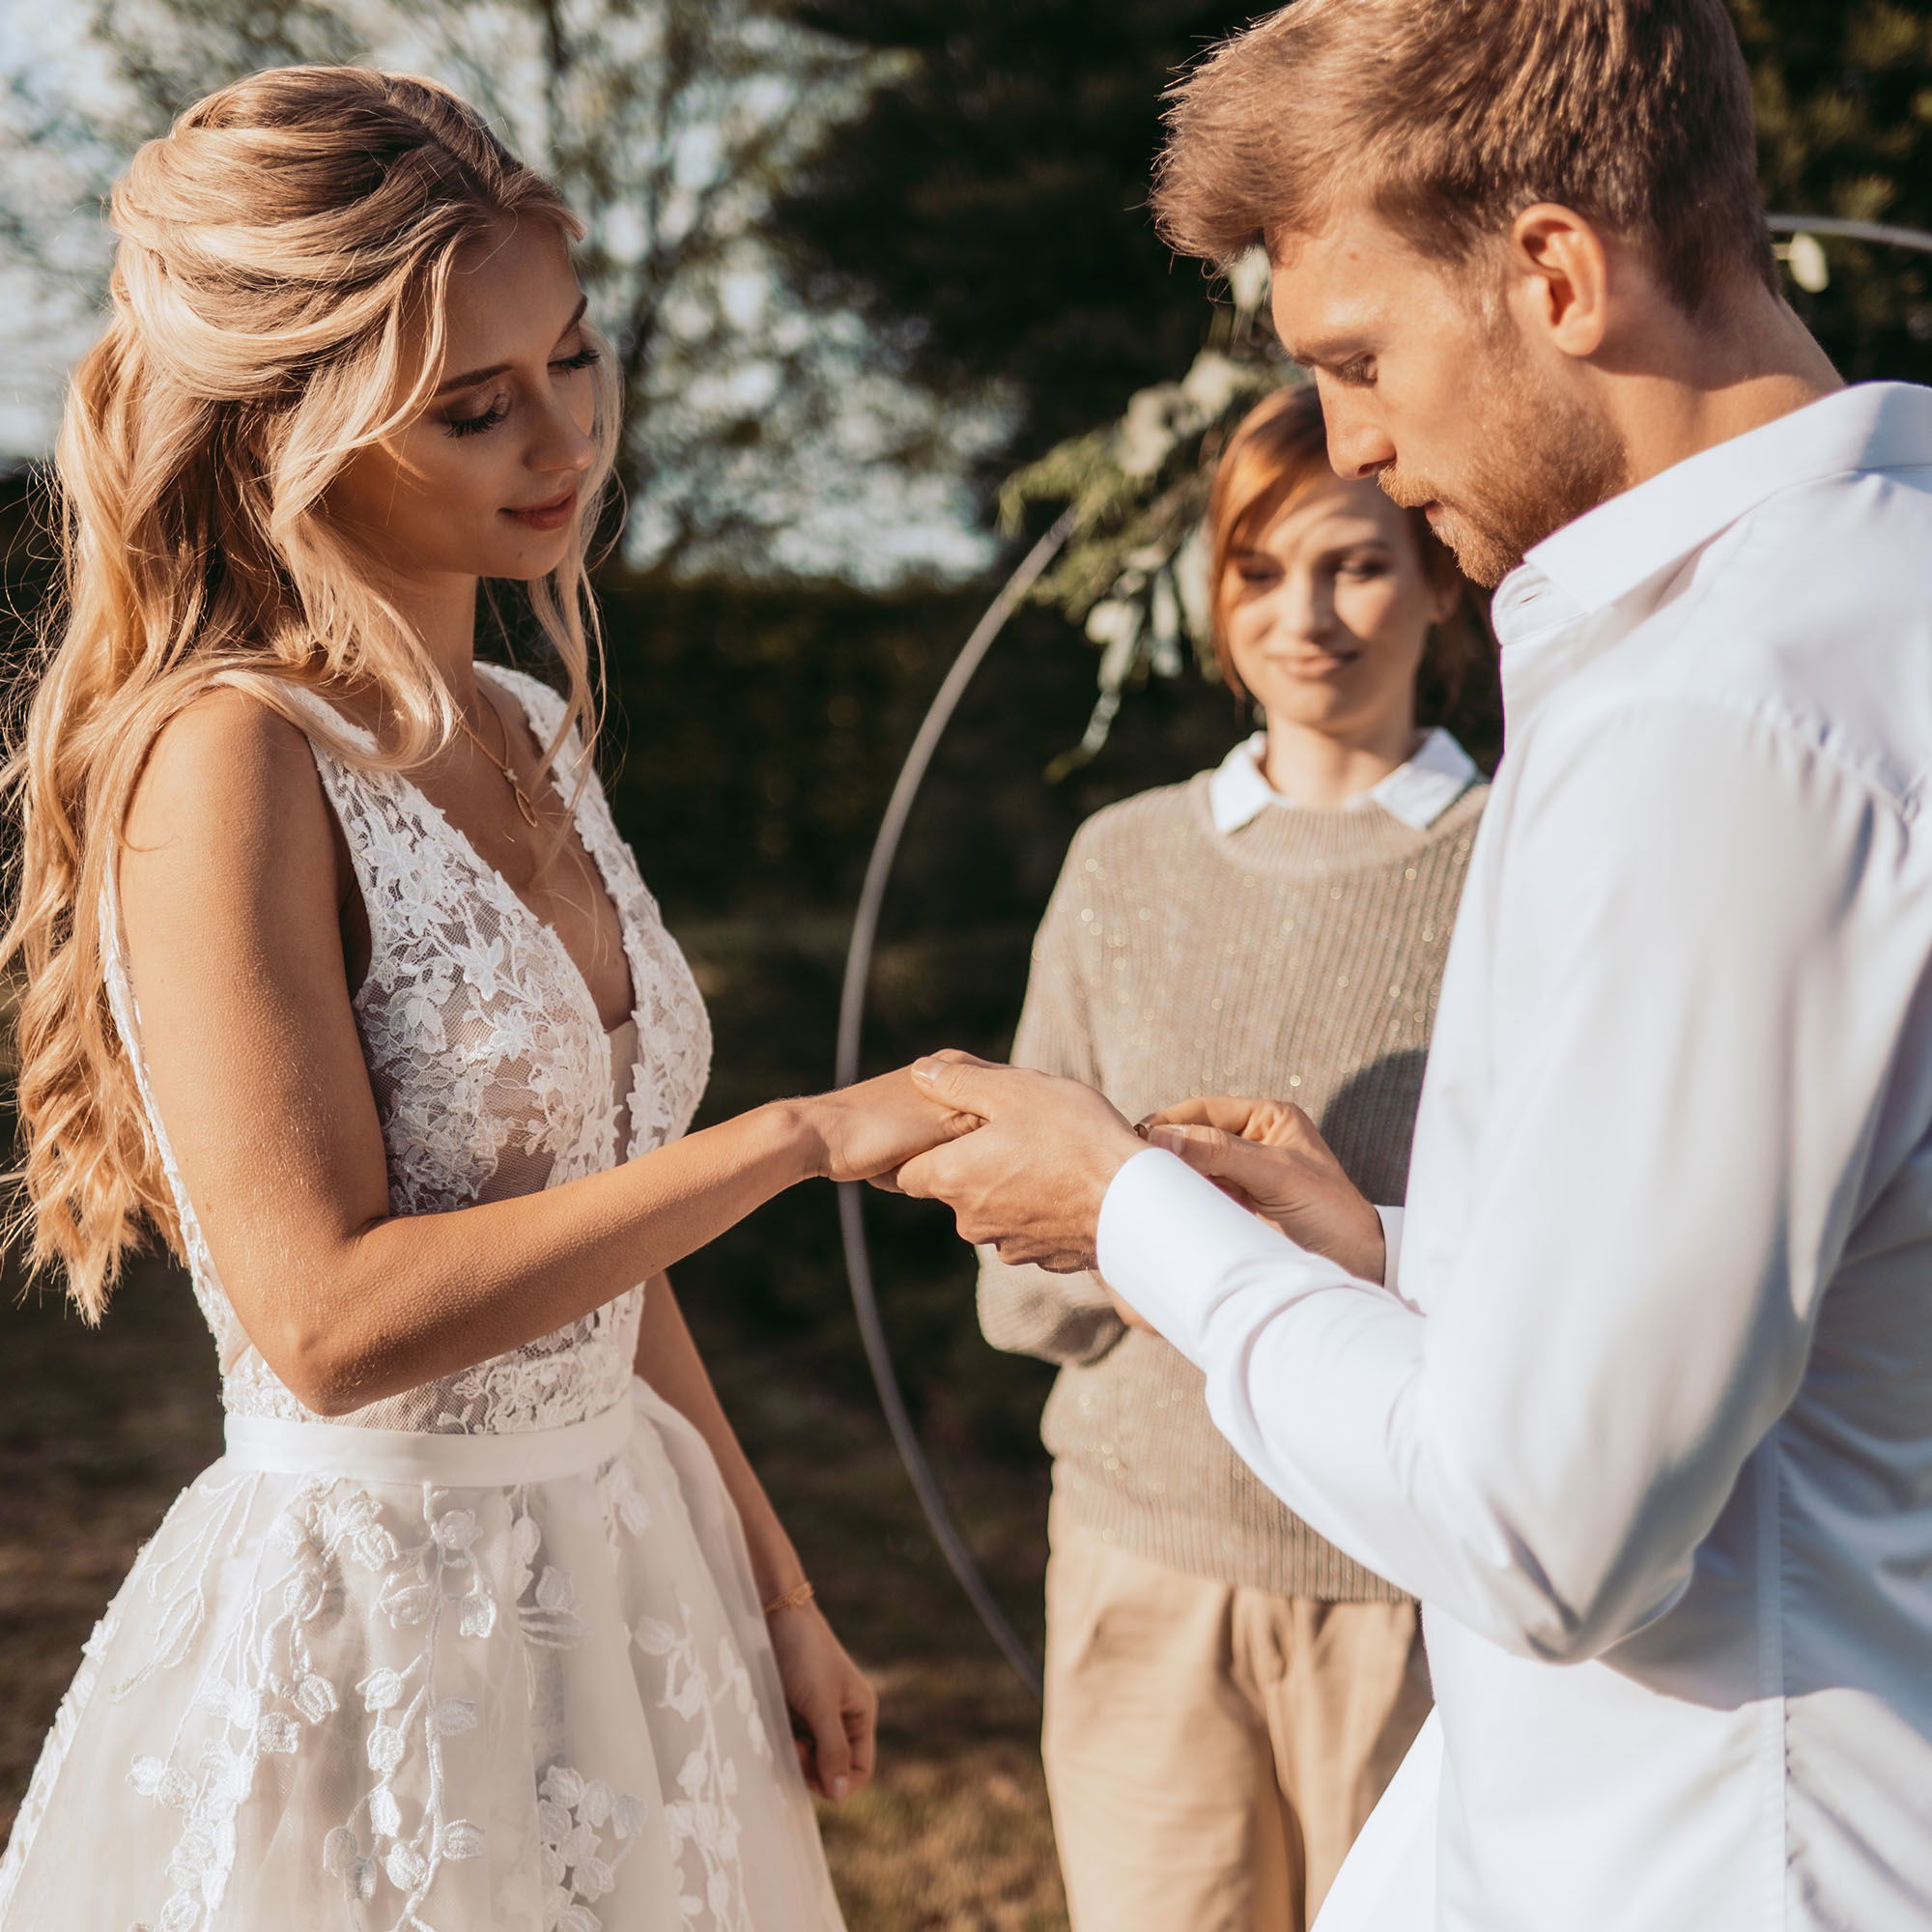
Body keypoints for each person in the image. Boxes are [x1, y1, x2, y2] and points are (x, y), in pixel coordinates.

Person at [887, 0, 1932, 1927]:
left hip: (1723, 1856)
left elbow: (1547, 1532)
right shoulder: (1864, 592)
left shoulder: (1725, 720)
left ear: (1549, 273)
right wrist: (1381, 1252)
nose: (1349, 438)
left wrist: (1131, 1216)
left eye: (1354, 356)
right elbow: (1787, 1289)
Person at [0, 68, 968, 1932]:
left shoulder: (528, 727)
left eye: (576, 362)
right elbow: (326, 1320)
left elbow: (589, 1229)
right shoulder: (228, 762)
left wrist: (775, 1589)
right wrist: (796, 1139)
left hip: (627, 1578)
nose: (564, 438)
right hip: (375, 1640)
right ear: (299, 429)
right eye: (475, 405)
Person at [976, 381, 1481, 1932]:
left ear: (1441, 578)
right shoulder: (1121, 860)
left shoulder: (1518, 858)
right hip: (1141, 1553)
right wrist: (1118, 1240)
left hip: (1404, 1576)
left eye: (1357, 564)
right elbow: (1022, 1264)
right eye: (1259, 570)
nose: (1306, 615)